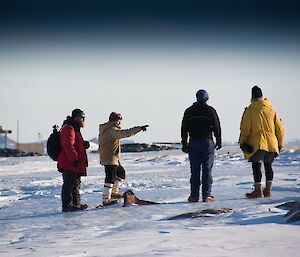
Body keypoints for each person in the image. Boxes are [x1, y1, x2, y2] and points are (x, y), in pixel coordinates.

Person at [239, 86, 284, 198]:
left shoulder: (250, 110)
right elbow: (280, 129)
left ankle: (258, 191)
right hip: (272, 143)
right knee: (268, 166)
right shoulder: (272, 110)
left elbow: (245, 129)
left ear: (252, 97)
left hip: (257, 143)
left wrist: (242, 142)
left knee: (256, 165)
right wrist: (279, 143)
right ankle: (268, 190)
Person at [98, 112, 148, 206]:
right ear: (116, 120)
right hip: (110, 158)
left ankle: (113, 193)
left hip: (112, 157)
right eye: (119, 120)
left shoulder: (107, 128)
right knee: (110, 178)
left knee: (120, 173)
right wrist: (138, 129)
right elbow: (124, 133)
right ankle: (106, 199)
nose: (120, 122)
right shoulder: (111, 130)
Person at [181, 89, 222, 203]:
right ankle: (206, 195)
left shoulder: (189, 111)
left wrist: (184, 143)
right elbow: (216, 127)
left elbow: (184, 129)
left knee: (195, 170)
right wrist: (218, 140)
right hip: (207, 142)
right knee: (207, 169)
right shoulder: (210, 110)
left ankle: (194, 196)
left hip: (193, 142)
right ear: (206, 98)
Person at [57, 109, 90, 212]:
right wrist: (74, 159)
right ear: (76, 117)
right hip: (69, 162)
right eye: (82, 117)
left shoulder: (74, 128)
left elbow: (74, 143)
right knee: (69, 184)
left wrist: (83, 144)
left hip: (74, 162)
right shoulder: (69, 128)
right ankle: (67, 205)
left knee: (75, 184)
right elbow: (67, 145)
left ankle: (76, 204)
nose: (83, 120)